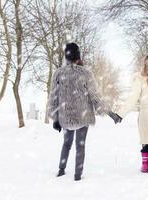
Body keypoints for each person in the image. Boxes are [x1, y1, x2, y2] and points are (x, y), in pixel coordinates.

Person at [48, 42, 119, 181]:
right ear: (78, 56)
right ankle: (77, 176)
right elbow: (95, 97)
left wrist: (55, 119)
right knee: (80, 145)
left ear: (66, 57)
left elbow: (53, 98)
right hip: (83, 116)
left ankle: (61, 170)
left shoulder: (58, 73)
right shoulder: (86, 73)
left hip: (65, 116)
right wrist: (111, 114)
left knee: (66, 143)